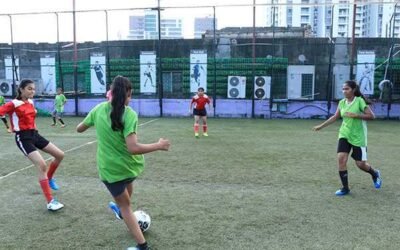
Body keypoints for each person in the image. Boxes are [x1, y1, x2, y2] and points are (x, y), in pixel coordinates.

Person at [76, 76, 170, 250]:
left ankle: (141, 244)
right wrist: (158, 145)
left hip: (111, 170)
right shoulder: (129, 114)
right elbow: (133, 148)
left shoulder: (98, 109)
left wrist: (90, 122)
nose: (131, 99)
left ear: (111, 93)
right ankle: (134, 232)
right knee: (126, 201)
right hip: (129, 167)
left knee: (125, 206)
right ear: (126, 95)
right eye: (130, 95)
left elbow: (79, 128)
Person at [0, 79, 65, 210]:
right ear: (21, 89)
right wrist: (10, 126)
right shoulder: (13, 103)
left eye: (34, 89)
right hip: (23, 138)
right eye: (29, 89)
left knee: (60, 155)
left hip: (34, 134)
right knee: (41, 165)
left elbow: (30, 118)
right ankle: (50, 201)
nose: (32, 91)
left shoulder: (30, 102)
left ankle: (50, 178)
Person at [313, 80, 382, 196]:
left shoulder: (359, 101)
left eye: (347, 89)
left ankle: (375, 174)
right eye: (343, 89)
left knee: (360, 164)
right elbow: (336, 116)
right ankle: (345, 188)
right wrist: (321, 126)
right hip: (344, 134)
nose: (344, 91)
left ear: (353, 90)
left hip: (358, 137)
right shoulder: (342, 103)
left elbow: (371, 116)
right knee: (341, 159)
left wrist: (356, 115)